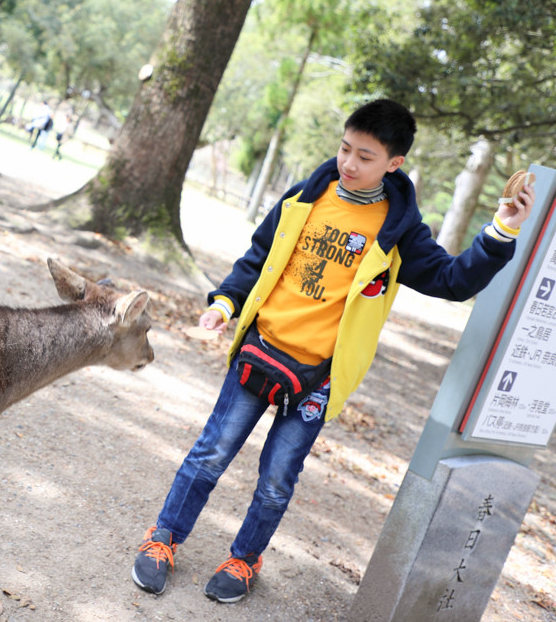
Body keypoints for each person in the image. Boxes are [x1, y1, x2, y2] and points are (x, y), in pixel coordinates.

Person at [131, 99, 535, 604]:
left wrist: (501, 230)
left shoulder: (399, 231)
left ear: (394, 163)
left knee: (278, 479)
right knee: (210, 454)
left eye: (365, 156)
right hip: (261, 350)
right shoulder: (304, 198)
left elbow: (451, 280)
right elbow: (258, 258)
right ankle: (164, 538)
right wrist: (224, 303)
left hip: (319, 378)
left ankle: (244, 558)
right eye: (345, 148)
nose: (349, 163)